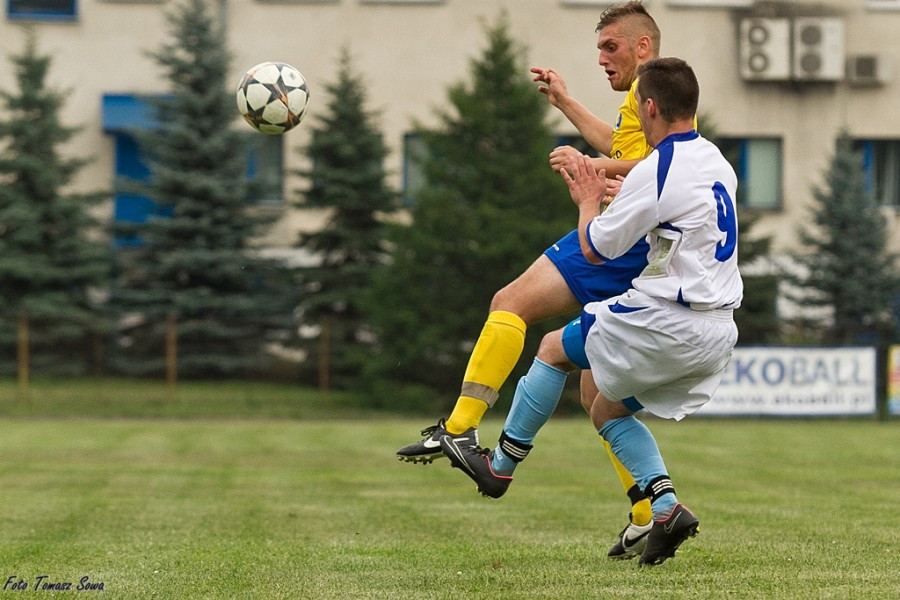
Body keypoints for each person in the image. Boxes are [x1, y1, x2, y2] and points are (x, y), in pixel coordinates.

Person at [444, 56, 743, 566]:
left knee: (552, 348)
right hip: (718, 330)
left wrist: (587, 198)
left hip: (667, 320)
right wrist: (624, 191)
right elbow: (673, 212)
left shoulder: (657, 168)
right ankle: (665, 507)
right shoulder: (717, 162)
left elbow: (595, 249)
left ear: (649, 108)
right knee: (604, 405)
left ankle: (499, 465)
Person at [397, 1, 664, 559]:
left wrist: (592, 171)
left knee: (510, 301)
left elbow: (667, 167)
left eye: (610, 46)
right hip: (638, 246)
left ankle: (462, 426)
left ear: (644, 47)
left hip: (618, 240)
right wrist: (567, 104)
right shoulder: (640, 102)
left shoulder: (657, 93)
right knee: (599, 395)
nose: (601, 58)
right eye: (598, 48)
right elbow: (629, 153)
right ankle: (650, 512)